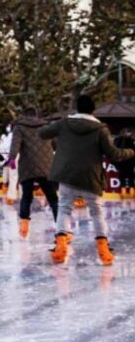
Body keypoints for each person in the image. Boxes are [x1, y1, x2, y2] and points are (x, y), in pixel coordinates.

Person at [41, 95, 135, 266]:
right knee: (97, 212)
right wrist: (131, 151)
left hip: (67, 175)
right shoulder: (101, 129)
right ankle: (104, 251)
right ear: (93, 110)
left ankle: (60, 248)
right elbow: (114, 154)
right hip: (91, 177)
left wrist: (60, 134)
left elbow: (42, 133)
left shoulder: (65, 124)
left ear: (77, 108)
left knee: (64, 210)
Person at [8, 107, 59, 239]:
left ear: (24, 115)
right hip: (46, 165)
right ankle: (61, 228)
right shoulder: (46, 126)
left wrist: (12, 159)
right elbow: (56, 144)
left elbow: (15, 145)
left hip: (27, 166)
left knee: (26, 196)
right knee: (53, 198)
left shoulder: (19, 127)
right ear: (36, 115)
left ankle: (24, 225)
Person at [0, 123, 19, 204]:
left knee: (9, 175)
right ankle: (12, 196)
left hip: (7, 158)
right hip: (14, 157)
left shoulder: (7, 137)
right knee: (14, 176)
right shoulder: (16, 135)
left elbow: (1, 147)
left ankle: (7, 191)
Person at [113, 128, 135, 199]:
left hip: (122, 162)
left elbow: (114, 152)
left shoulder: (117, 140)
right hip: (129, 162)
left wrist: (115, 162)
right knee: (130, 177)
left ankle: (124, 192)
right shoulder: (131, 141)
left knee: (122, 177)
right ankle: (130, 192)